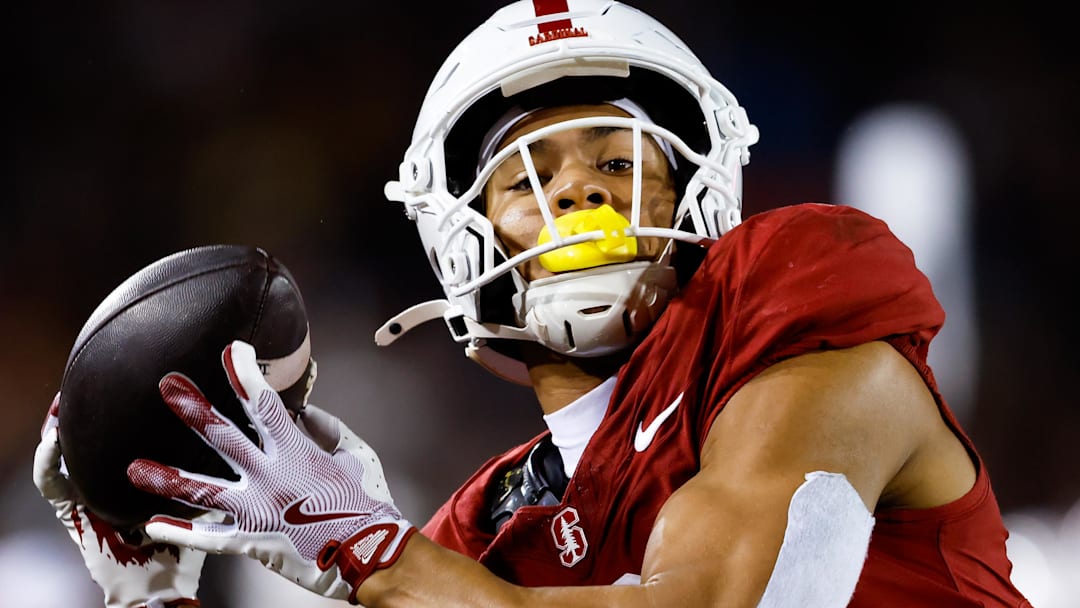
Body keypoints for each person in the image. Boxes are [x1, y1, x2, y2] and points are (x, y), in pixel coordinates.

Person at [35, 1, 1033, 606]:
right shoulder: (485, 534)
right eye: (530, 179)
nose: (583, 193)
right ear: (465, 235)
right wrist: (157, 597)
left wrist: (370, 546)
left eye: (619, 162)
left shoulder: (809, 336)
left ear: (697, 196)